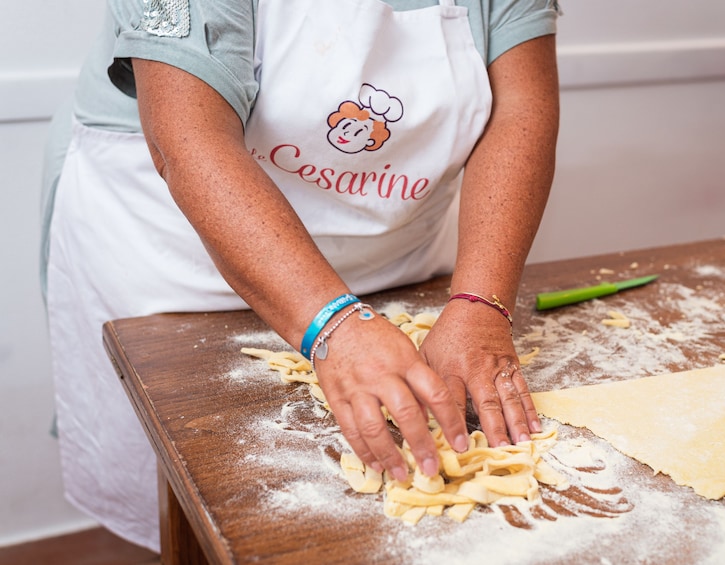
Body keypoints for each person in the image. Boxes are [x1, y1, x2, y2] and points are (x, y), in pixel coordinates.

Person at [41, 0, 560, 552]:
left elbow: (521, 109)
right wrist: (332, 322)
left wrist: (480, 302)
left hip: (395, 253)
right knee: (204, 514)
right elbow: (190, 135)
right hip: (175, 253)